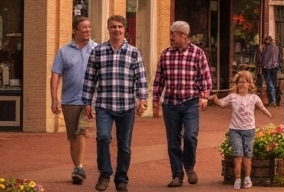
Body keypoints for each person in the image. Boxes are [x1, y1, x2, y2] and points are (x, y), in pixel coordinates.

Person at [81, 15, 148, 192]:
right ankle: (105, 173)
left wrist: (142, 99)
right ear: (108, 29)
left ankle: (121, 178)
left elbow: (140, 78)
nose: (116, 30)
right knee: (103, 137)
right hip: (104, 105)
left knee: (124, 144)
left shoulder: (133, 52)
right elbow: (89, 78)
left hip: (126, 106)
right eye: (113, 27)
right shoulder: (99, 51)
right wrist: (87, 102)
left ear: (125, 29)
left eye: (119, 27)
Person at [152, 21, 213, 187]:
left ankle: (189, 166)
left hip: (190, 102)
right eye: (171, 33)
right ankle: (177, 175)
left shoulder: (198, 54)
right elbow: (159, 79)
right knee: (173, 141)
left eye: (174, 34)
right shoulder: (165, 54)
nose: (171, 37)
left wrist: (204, 96)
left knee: (190, 136)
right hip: (170, 104)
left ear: (184, 35)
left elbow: (206, 78)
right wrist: (155, 100)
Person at [51, 16, 98, 186]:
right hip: (69, 100)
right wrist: (54, 98)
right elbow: (56, 74)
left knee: (80, 132)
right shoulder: (64, 51)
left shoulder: (97, 49)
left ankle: (79, 168)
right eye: (84, 27)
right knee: (72, 136)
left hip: (90, 100)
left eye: (89, 27)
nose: (88, 30)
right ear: (75, 30)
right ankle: (77, 167)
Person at [211, 70, 272, 191]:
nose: (242, 84)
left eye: (244, 82)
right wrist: (214, 98)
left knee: (247, 156)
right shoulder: (233, 97)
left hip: (249, 130)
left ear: (249, 84)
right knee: (238, 155)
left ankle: (247, 178)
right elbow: (221, 103)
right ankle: (238, 179)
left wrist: (269, 115)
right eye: (239, 82)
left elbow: (262, 108)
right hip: (235, 130)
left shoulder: (254, 97)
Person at [257, 36, 281, 107]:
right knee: (274, 84)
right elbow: (279, 58)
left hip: (267, 67)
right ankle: (274, 100)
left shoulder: (263, 48)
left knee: (270, 84)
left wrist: (260, 65)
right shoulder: (276, 48)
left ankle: (273, 100)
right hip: (274, 67)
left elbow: (260, 58)